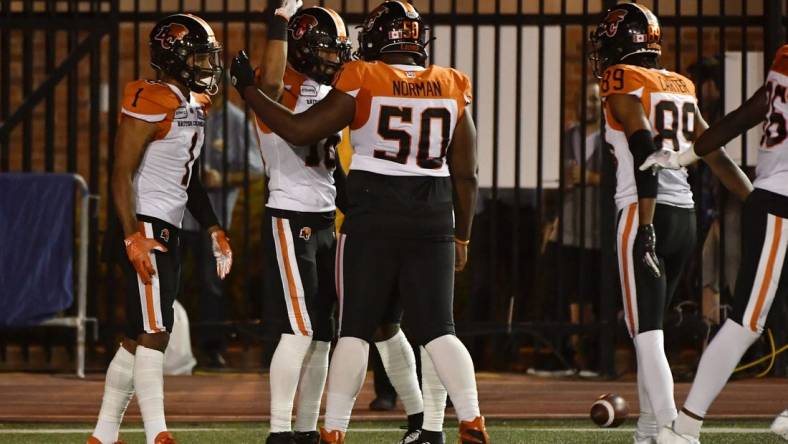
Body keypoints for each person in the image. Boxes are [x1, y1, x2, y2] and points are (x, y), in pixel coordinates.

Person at [230, 1, 489, 443]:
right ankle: (469, 419)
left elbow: (297, 129)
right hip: (432, 212)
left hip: (373, 211)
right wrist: (462, 233)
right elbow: (466, 171)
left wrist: (247, 88)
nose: (339, 56)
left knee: (354, 330)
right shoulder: (452, 82)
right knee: (438, 330)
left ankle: (334, 430)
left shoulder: (360, 77)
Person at [589, 3, 748, 443]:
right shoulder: (680, 85)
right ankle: (647, 430)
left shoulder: (622, 80)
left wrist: (645, 222)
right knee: (649, 323)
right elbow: (713, 151)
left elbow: (643, 145)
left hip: (647, 211)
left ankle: (672, 432)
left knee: (645, 332)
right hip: (687, 215)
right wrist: (754, 202)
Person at [87, 14, 232, 444]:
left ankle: (104, 434)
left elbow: (190, 177)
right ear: (175, 59)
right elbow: (119, 174)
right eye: (200, 57)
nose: (208, 66)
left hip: (167, 222)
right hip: (145, 224)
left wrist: (213, 227)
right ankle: (157, 433)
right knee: (156, 331)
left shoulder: (195, 103)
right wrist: (131, 234)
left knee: (137, 335)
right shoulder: (149, 99)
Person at [640, 44, 787, 444]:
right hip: (781, 203)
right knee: (747, 322)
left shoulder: (784, 60)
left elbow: (741, 118)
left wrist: (682, 157)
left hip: (776, 197)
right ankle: (685, 426)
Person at [180, 76, 262, 369]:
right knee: (172, 281)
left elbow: (256, 167)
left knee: (211, 284)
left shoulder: (236, 121)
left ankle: (212, 348)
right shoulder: (184, 112)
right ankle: (168, 346)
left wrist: (223, 178)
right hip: (177, 212)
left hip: (213, 216)